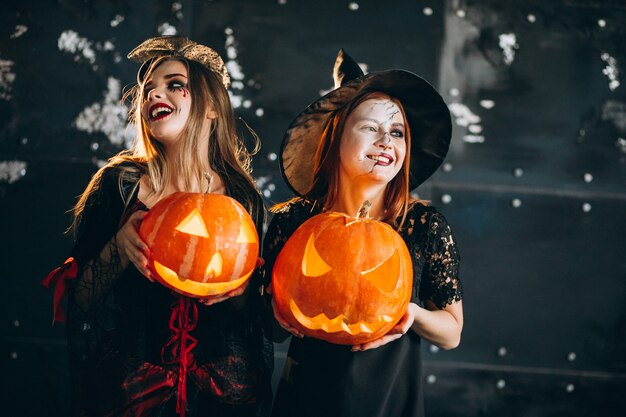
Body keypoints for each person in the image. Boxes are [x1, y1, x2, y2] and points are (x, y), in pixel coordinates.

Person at [42, 36, 272, 417]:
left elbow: (255, 322)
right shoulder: (120, 184)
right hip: (133, 395)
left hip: (217, 399)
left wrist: (241, 290)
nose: (153, 95)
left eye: (173, 85)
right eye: (146, 90)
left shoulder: (241, 199)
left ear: (211, 107)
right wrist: (119, 248)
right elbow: (80, 299)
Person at [262, 49, 464, 417]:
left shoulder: (423, 225)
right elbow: (271, 330)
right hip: (307, 399)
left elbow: (452, 332)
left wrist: (410, 314)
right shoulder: (294, 221)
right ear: (336, 137)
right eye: (371, 127)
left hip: (389, 401)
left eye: (398, 132)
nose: (387, 140)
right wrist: (280, 311)